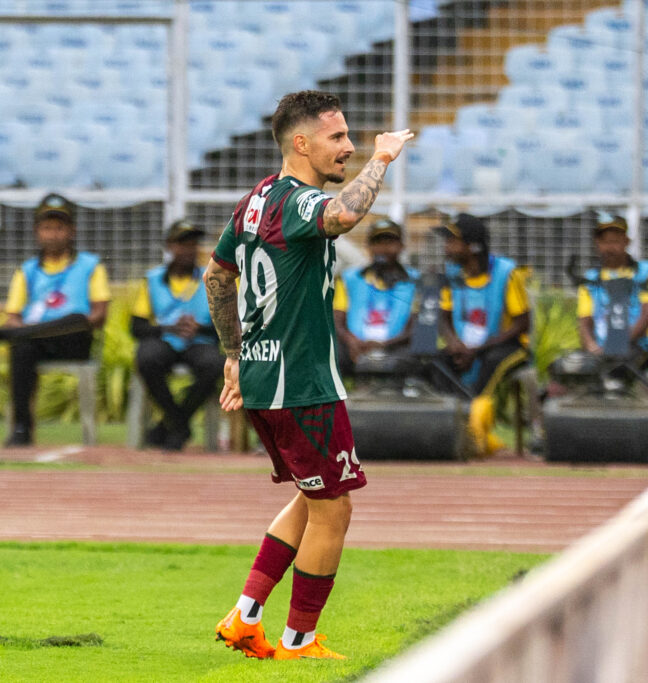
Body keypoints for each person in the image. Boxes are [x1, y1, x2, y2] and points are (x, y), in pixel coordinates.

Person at [203, 90, 413, 661]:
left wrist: (233, 352)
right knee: (335, 507)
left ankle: (246, 616)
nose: (347, 146)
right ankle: (298, 641)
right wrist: (383, 158)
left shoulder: (254, 201)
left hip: (265, 377)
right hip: (302, 382)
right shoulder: (297, 202)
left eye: (350, 137)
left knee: (311, 494)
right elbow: (343, 215)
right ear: (301, 143)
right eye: (337, 137)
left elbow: (216, 278)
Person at [0, 193, 110, 447]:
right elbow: (13, 317)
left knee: (77, 318)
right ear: (37, 232)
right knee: (21, 348)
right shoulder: (27, 270)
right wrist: (23, 331)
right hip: (35, 341)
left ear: (71, 231)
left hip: (75, 340)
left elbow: (99, 316)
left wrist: (12, 331)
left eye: (59, 228)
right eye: (47, 228)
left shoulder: (91, 265)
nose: (53, 234)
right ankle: (22, 427)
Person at [435, 213, 531, 455]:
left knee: (490, 365)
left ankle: (476, 434)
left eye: (452, 241)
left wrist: (477, 350)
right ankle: (452, 426)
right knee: (436, 361)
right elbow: (443, 317)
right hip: (465, 347)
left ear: (473, 246)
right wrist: (455, 344)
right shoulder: (451, 274)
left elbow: (522, 324)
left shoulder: (506, 272)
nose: (447, 247)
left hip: (508, 346)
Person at [130, 219, 222, 450]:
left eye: (192, 244)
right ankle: (179, 423)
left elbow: (229, 323)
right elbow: (137, 327)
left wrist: (199, 328)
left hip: (200, 341)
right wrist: (168, 328)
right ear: (169, 247)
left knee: (214, 364)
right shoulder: (152, 279)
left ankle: (169, 424)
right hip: (166, 340)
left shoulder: (212, 278)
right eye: (181, 244)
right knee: (147, 358)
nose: (188, 250)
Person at [333, 218, 419, 375]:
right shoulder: (349, 278)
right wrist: (351, 341)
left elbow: (416, 326)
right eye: (377, 242)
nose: (383, 249)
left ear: (401, 246)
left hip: (396, 348)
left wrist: (384, 344)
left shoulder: (415, 280)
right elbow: (338, 320)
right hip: (355, 347)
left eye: (389, 242)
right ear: (369, 247)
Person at [576, 213, 648, 368]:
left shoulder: (647, 272)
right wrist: (591, 346)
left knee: (617, 368)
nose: (610, 247)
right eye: (605, 241)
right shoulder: (590, 279)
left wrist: (619, 345)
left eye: (615, 241)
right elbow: (584, 319)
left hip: (639, 348)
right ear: (597, 243)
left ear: (626, 241)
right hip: (601, 351)